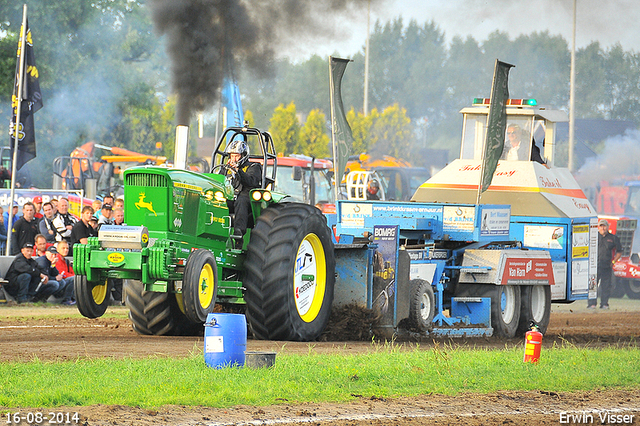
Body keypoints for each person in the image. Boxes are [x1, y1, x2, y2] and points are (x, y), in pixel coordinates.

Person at [218, 140, 262, 248]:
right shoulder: (225, 168)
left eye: (236, 155)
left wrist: (238, 171)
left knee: (241, 200)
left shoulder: (254, 166)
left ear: (243, 155)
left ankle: (238, 235)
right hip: (230, 196)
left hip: (247, 198)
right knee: (216, 199)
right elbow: (219, 181)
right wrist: (226, 170)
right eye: (232, 156)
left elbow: (251, 181)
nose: (234, 159)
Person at [588, 219, 622, 309]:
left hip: (607, 266)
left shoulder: (613, 238)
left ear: (607, 227)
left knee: (606, 286)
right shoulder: (593, 237)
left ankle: (604, 304)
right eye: (601, 226)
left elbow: (619, 251)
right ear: (598, 227)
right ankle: (591, 304)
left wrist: (613, 261)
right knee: (592, 285)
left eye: (604, 226)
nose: (603, 228)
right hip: (594, 266)